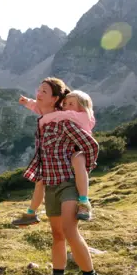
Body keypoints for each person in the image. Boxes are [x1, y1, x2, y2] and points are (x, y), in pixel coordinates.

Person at [21, 77, 107, 275]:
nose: (38, 94)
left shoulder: (65, 122)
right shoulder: (43, 123)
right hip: (50, 184)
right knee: (57, 235)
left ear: (55, 98)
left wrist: (81, 165)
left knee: (70, 231)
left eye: (44, 91)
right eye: (38, 90)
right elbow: (42, 156)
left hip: (68, 183)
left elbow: (91, 145)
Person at [12, 89, 96, 226]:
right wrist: (28, 102)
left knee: (80, 166)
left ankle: (84, 201)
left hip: (77, 150)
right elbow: (46, 111)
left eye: (71, 103)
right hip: (65, 152)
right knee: (40, 181)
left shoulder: (79, 115)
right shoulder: (66, 114)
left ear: (82, 106)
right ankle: (31, 212)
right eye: (65, 103)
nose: (66, 106)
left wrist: (44, 118)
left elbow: (51, 115)